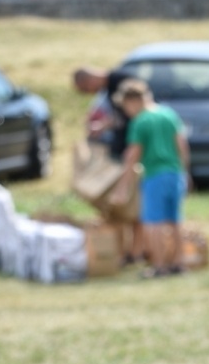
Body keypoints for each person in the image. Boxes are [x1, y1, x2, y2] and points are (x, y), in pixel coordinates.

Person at [115, 78, 190, 279]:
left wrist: (123, 187)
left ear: (132, 101)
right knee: (175, 221)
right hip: (175, 173)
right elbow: (182, 145)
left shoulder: (140, 121)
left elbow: (132, 155)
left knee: (153, 223)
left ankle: (159, 266)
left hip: (155, 175)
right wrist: (185, 172)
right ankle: (179, 263)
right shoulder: (168, 114)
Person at [73, 64, 143, 264]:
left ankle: (137, 251)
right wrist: (104, 126)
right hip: (120, 152)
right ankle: (126, 249)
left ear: (89, 80)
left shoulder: (122, 81)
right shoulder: (110, 88)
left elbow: (132, 116)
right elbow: (121, 118)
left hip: (132, 153)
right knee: (122, 207)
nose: (92, 93)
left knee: (135, 206)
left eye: (87, 89)